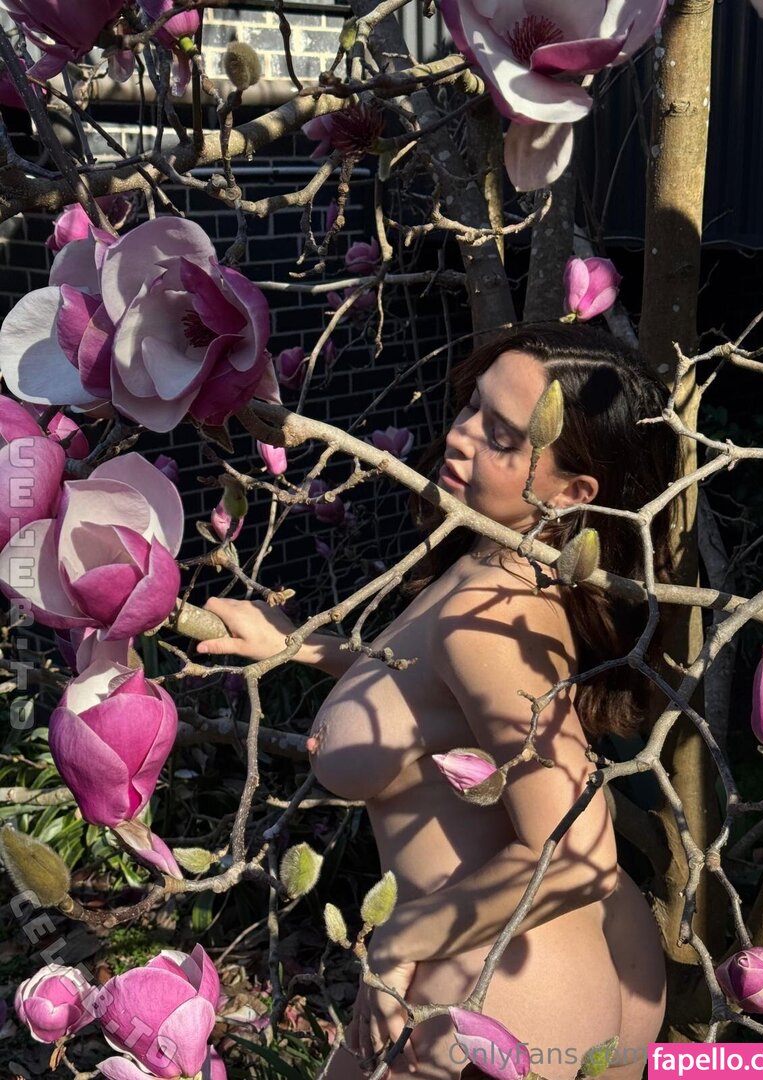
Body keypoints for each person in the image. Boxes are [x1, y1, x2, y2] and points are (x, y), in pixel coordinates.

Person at [198, 323, 677, 1080]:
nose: (460, 436)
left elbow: (578, 857)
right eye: (471, 406)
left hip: (488, 987)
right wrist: (300, 645)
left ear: (571, 493)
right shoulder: (501, 571)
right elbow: (431, 690)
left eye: (501, 437)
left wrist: (399, 942)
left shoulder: (492, 614)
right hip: (539, 970)